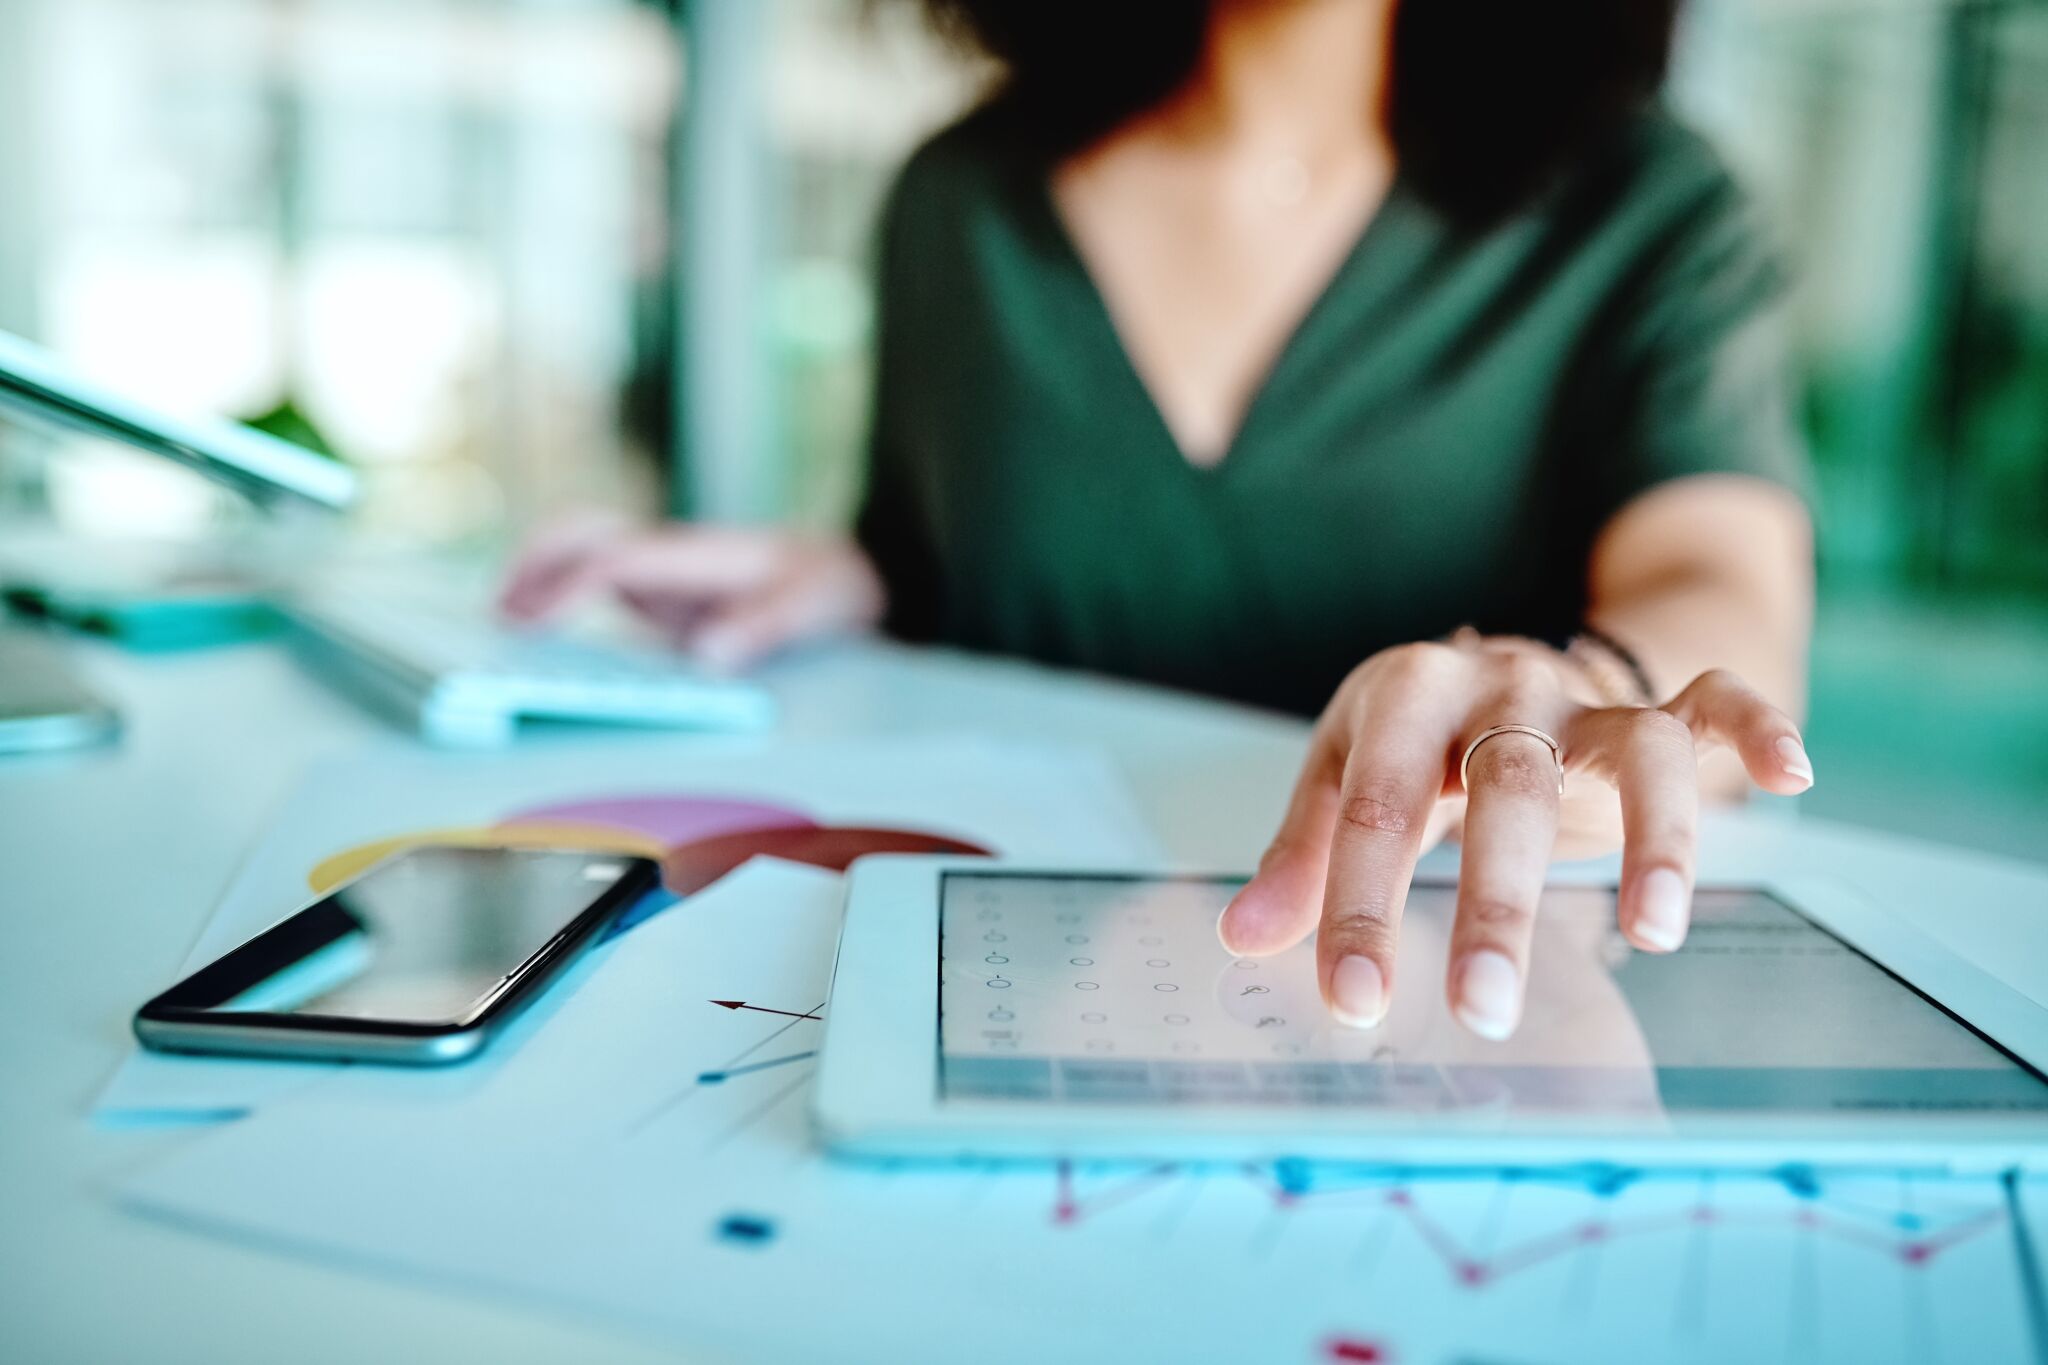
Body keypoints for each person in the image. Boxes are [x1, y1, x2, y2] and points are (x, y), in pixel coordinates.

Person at [501, 0, 1817, 1040]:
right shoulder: (959, 204)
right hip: (989, 1007)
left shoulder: (1647, 211)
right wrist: (855, 575)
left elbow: (1717, 581)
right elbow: (957, 561)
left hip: (1434, 1035)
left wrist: (1573, 693)